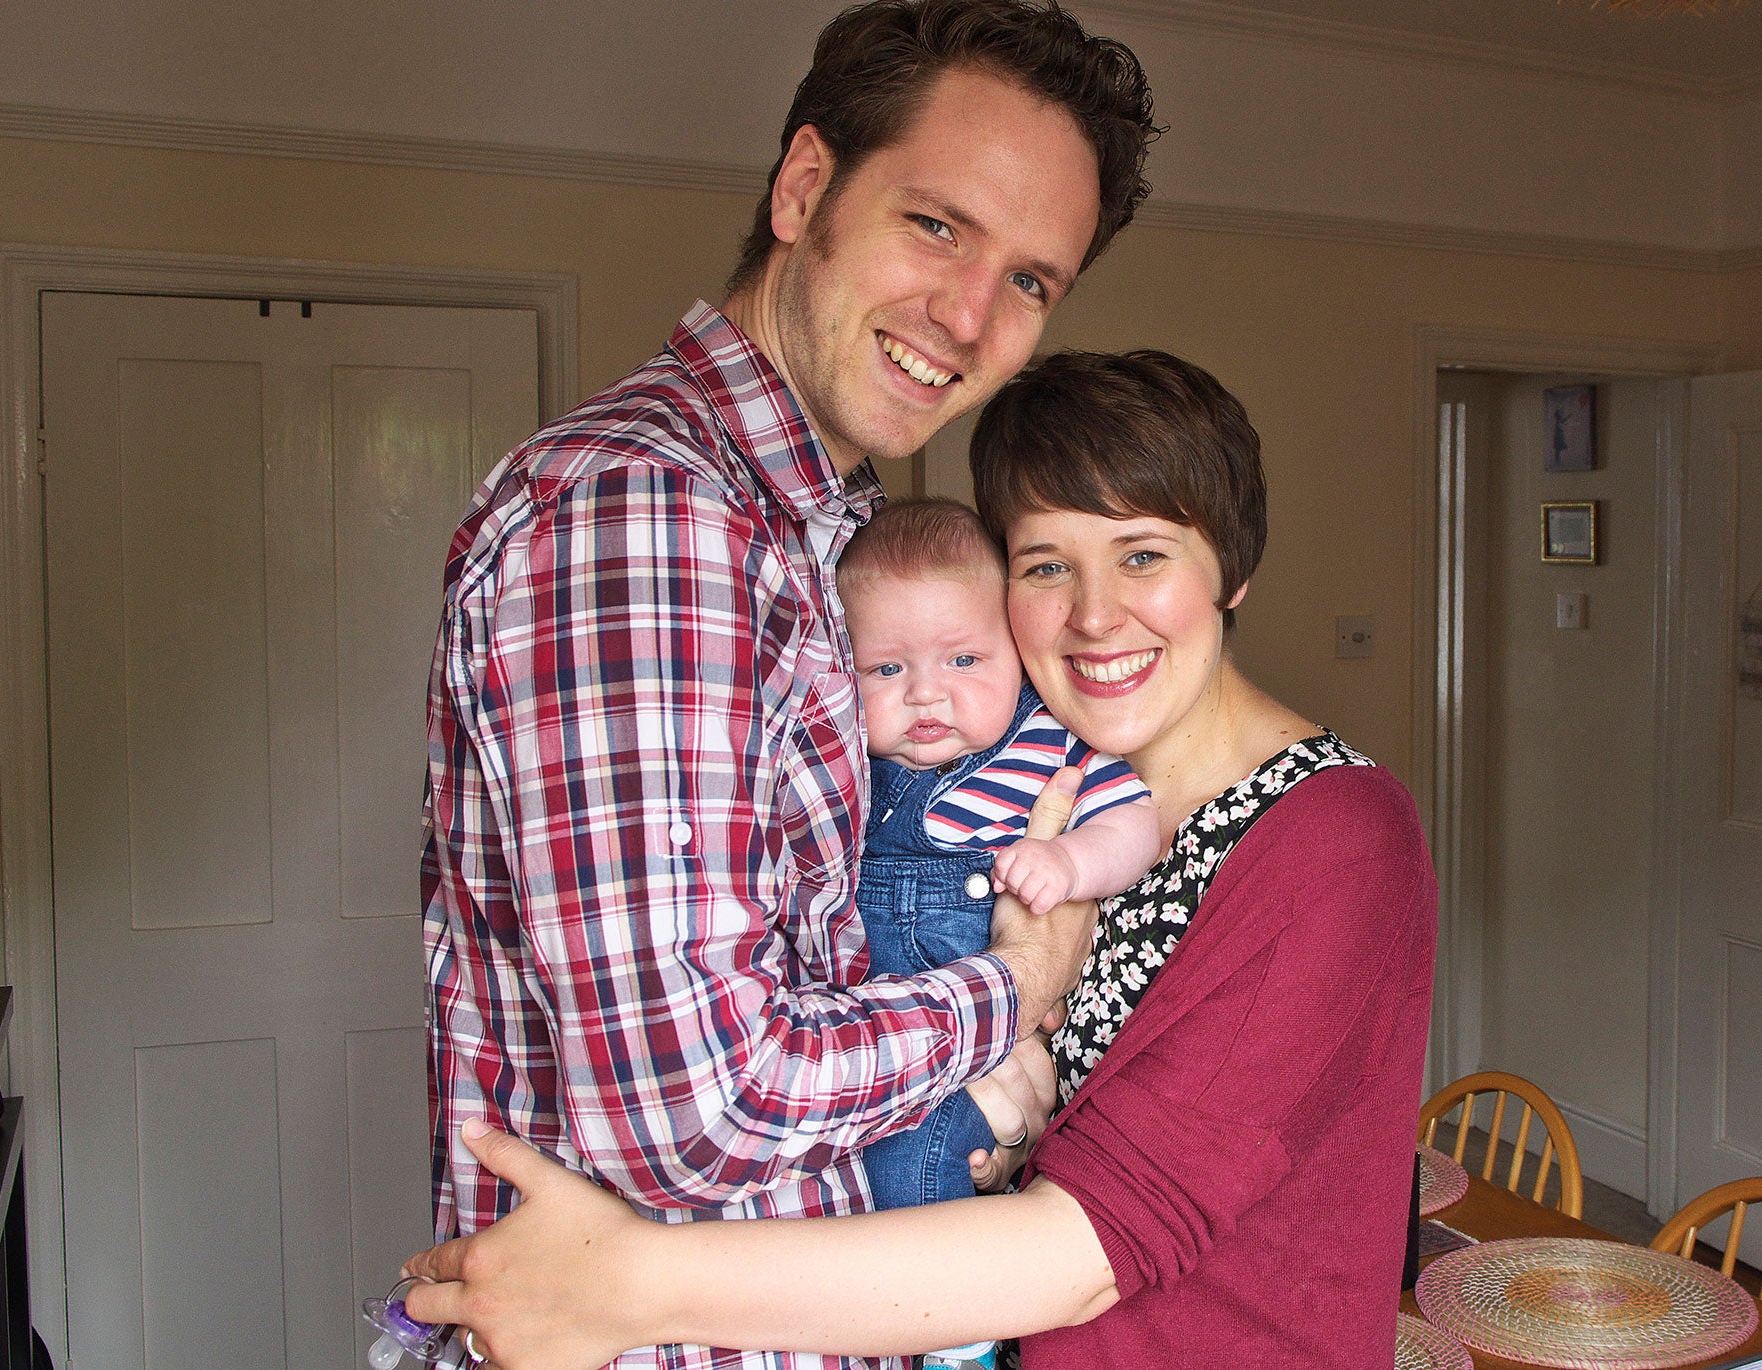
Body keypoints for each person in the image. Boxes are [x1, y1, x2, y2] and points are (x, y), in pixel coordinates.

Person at [405, 349, 1440, 1370]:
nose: (1090, 614)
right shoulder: (983, 781)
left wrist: (623, 1286)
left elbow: (1083, 1249)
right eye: (1045, 563)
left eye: (1142, 554)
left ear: (1234, 570)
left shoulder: (1333, 840)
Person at [420, 4, 1158, 1368]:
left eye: (1033, 280)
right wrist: (1013, 984)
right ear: (807, 186)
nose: (969, 317)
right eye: (937, 225)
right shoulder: (651, 513)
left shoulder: (826, 532)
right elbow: (698, 1112)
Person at [837, 498, 1163, 1369]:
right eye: (885, 669)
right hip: (870, 1052)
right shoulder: (844, 771)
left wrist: (1071, 864)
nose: (926, 694)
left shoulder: (1050, 748)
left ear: (1017, 652)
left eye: (965, 659)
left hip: (973, 1064)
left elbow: (1136, 826)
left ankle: (958, 1340)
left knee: (920, 1170)